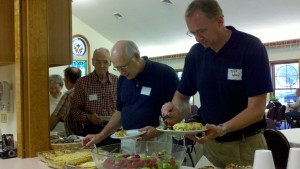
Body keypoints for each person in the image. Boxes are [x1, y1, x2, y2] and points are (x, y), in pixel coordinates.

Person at [161, 0, 273, 167]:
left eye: (202, 31)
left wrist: (222, 128)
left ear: (220, 21)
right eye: (193, 33)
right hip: (208, 145)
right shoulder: (195, 54)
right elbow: (181, 95)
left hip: (245, 145)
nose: (198, 38)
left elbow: (256, 109)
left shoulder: (250, 47)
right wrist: (174, 109)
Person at [82, 40, 179, 147]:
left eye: (123, 67)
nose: (121, 72)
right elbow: (119, 112)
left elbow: (183, 109)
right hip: (128, 140)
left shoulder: (165, 74)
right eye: (117, 68)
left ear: (137, 57)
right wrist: (100, 136)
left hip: (156, 140)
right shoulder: (123, 79)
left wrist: (158, 131)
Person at [70, 48, 120, 146]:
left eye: (105, 62)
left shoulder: (117, 81)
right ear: (93, 62)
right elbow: (74, 110)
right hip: (92, 130)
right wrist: (88, 117)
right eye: (98, 62)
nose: (102, 65)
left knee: (115, 159)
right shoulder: (82, 83)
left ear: (110, 62)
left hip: (114, 131)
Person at [50, 67, 82, 136]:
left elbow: (55, 118)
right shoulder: (84, 91)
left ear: (67, 79)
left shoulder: (69, 95)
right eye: (51, 88)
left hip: (74, 135)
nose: (53, 91)